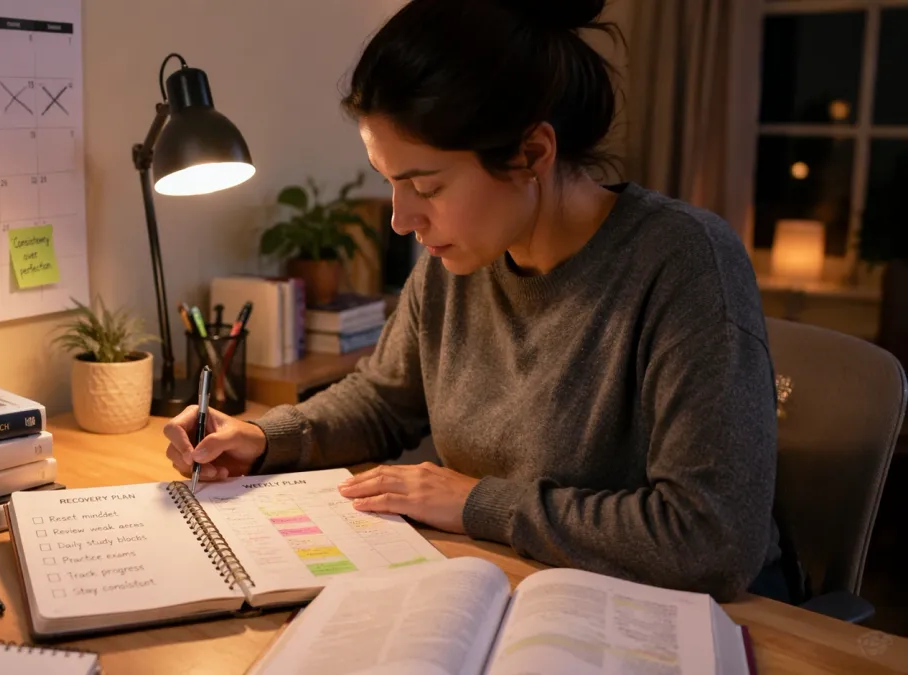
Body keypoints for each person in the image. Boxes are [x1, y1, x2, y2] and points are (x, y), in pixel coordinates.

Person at [163, 0, 785, 603]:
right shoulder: (459, 261)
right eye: (390, 183)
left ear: (531, 154)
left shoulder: (684, 262)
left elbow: (712, 539)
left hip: (663, 617)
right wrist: (262, 437)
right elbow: (383, 399)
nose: (401, 220)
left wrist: (474, 502)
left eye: (427, 186)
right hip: (505, 581)